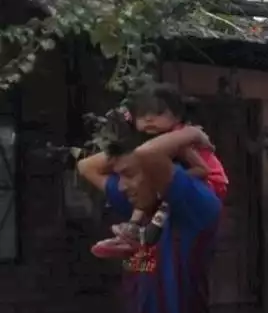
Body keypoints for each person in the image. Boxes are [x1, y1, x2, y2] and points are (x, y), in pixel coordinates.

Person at [75, 122, 222, 313]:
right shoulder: (138, 204)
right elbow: (86, 166)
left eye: (129, 174)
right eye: (118, 175)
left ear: (160, 169)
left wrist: (193, 133)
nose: (120, 186)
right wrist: (130, 147)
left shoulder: (195, 205)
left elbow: (148, 154)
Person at [90, 84, 228, 259]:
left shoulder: (179, 139)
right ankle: (132, 231)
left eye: (158, 113)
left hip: (209, 184)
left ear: (177, 116)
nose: (148, 119)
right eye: (142, 115)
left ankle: (138, 233)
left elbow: (203, 170)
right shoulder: (152, 141)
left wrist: (165, 182)